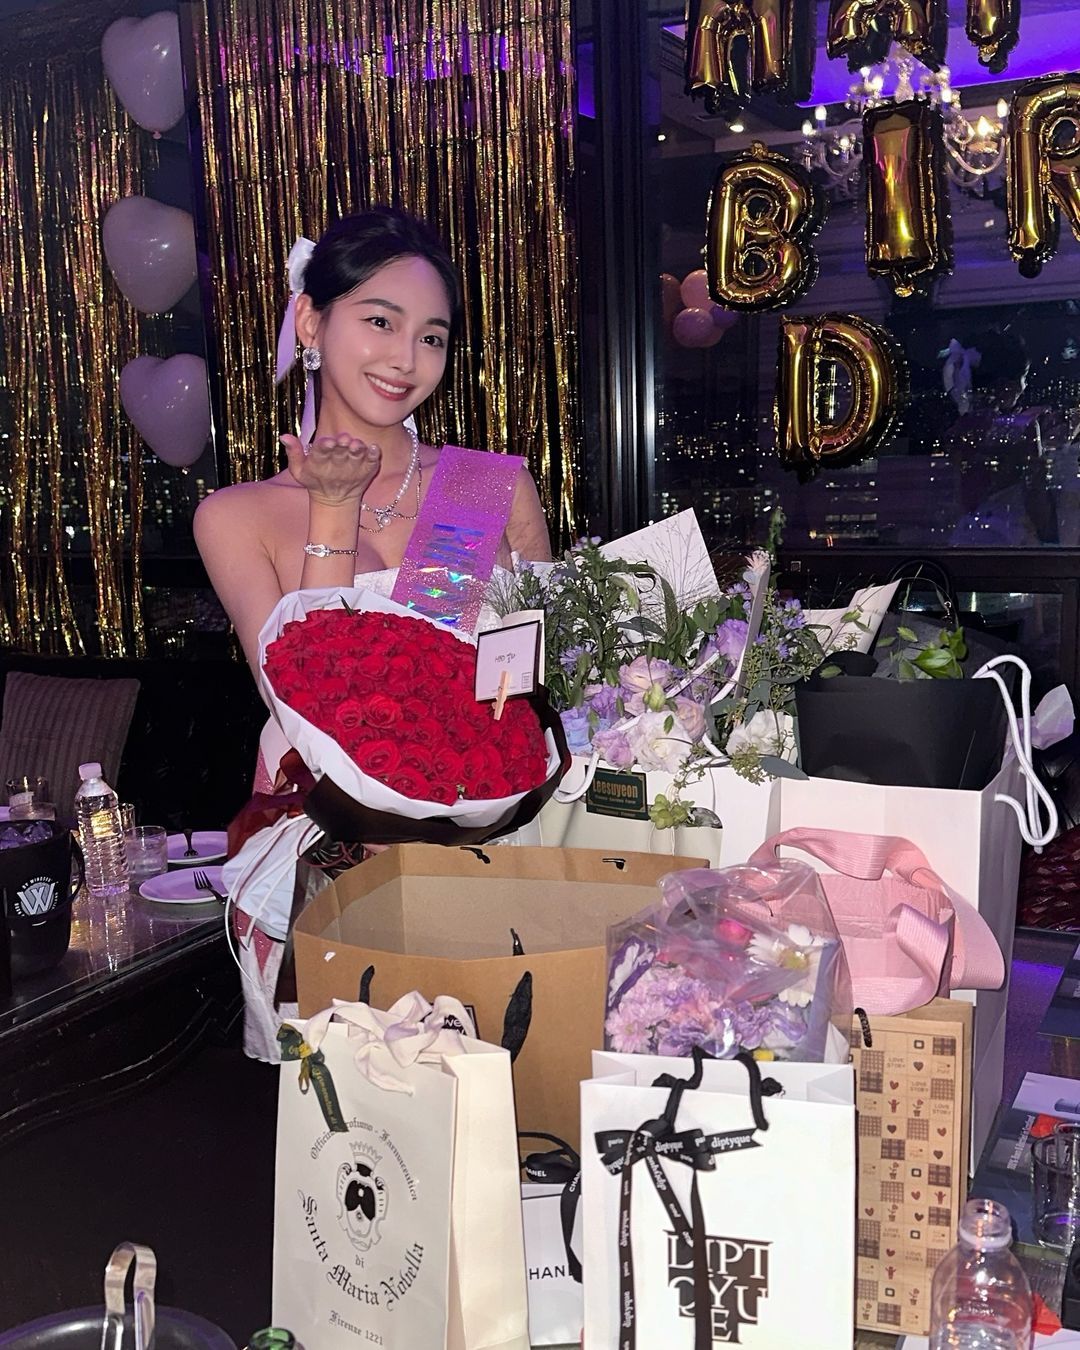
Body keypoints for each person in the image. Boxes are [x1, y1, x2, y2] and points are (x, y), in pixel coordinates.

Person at [194, 207, 553, 1059]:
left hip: (485, 827)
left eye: (431, 337)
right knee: (353, 1116)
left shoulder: (482, 488)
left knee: (500, 1093)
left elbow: (534, 678)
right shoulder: (239, 515)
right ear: (311, 321)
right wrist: (332, 509)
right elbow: (307, 693)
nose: (405, 358)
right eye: (381, 321)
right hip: (329, 841)